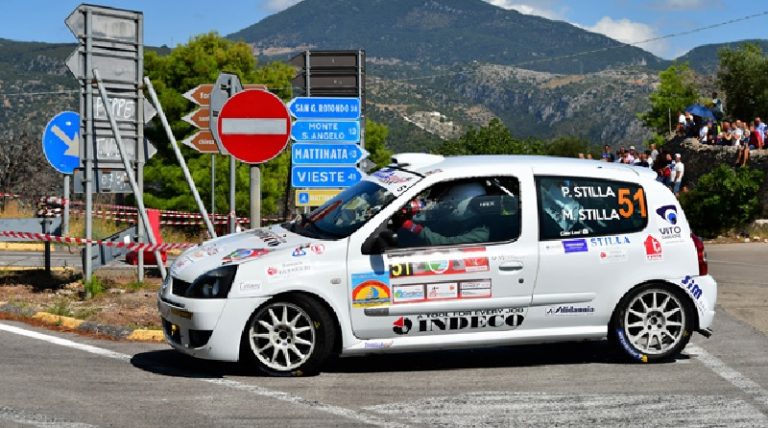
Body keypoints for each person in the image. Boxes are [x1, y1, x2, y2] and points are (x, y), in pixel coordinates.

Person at [396, 182, 489, 246]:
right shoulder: (462, 221)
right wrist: (409, 222)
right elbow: (434, 227)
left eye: (450, 205)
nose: (448, 208)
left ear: (464, 204)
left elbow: (444, 242)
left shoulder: (480, 234)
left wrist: (411, 226)